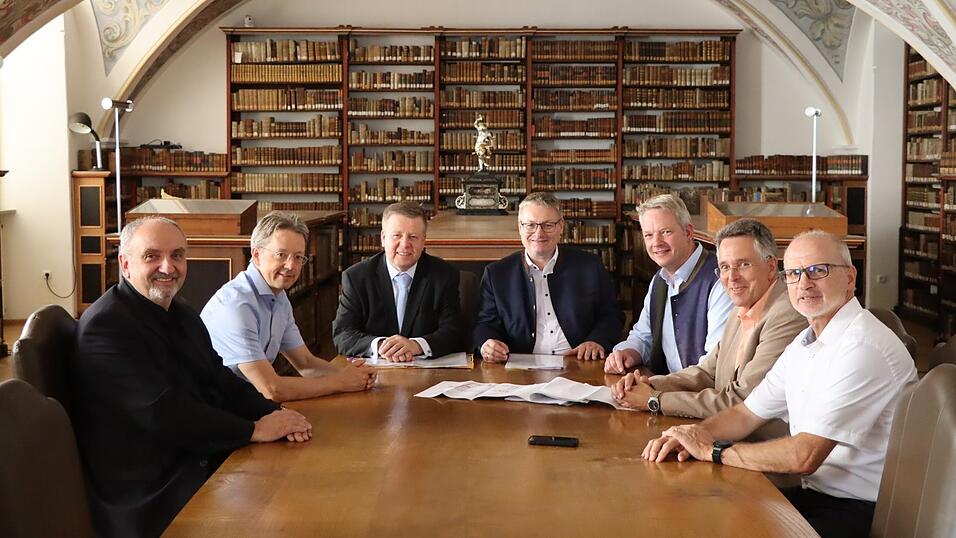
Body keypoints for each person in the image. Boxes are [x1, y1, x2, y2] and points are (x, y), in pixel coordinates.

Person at [642, 230, 918, 538]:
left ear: (850, 277)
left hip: (861, 509)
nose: (804, 284)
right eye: (795, 273)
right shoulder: (805, 341)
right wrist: (693, 434)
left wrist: (713, 450)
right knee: (700, 513)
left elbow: (804, 456)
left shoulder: (863, 346)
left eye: (818, 270)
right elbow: (747, 414)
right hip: (816, 494)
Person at [72, 216, 312, 538]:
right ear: (125, 264)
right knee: (283, 516)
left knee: (299, 490)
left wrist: (276, 414)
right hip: (154, 489)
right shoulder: (106, 326)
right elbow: (162, 412)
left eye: (177, 256)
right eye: (152, 256)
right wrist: (253, 429)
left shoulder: (180, 311)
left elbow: (221, 381)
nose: (168, 267)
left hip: (192, 455)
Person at [611, 219, 806, 440]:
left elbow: (743, 400)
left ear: (771, 266)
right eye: (724, 267)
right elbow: (707, 372)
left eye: (743, 264)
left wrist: (654, 399)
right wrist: (646, 384)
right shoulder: (742, 307)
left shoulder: (787, 315)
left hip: (763, 449)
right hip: (728, 436)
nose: (732, 277)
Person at [202, 211, 376, 402]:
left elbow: (306, 364)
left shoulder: (279, 297)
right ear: (257, 255)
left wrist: (352, 375)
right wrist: (342, 382)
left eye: (298, 257)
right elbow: (271, 389)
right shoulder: (236, 306)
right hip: (214, 410)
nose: (291, 266)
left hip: (244, 403)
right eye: (281, 255)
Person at [474, 192, 622, 362]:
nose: (538, 233)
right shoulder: (497, 274)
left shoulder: (590, 266)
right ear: (520, 227)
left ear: (561, 227)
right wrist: (487, 344)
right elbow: (486, 323)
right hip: (521, 367)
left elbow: (612, 315)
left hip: (579, 363)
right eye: (530, 225)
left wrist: (597, 341)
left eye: (548, 225)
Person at [605, 194, 733, 375]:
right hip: (670, 389)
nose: (656, 243)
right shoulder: (660, 279)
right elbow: (643, 336)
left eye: (666, 232)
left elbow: (713, 363)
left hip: (702, 395)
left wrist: (657, 390)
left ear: (688, 232)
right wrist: (627, 352)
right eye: (648, 235)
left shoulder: (720, 280)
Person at [332, 201, 463, 360]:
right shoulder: (356, 278)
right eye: (397, 235)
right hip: (376, 374)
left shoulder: (444, 275)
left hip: (427, 374)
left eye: (413, 237)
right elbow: (343, 334)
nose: (405, 244)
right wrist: (382, 346)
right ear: (383, 238)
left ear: (424, 241)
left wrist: (416, 345)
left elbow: (454, 332)